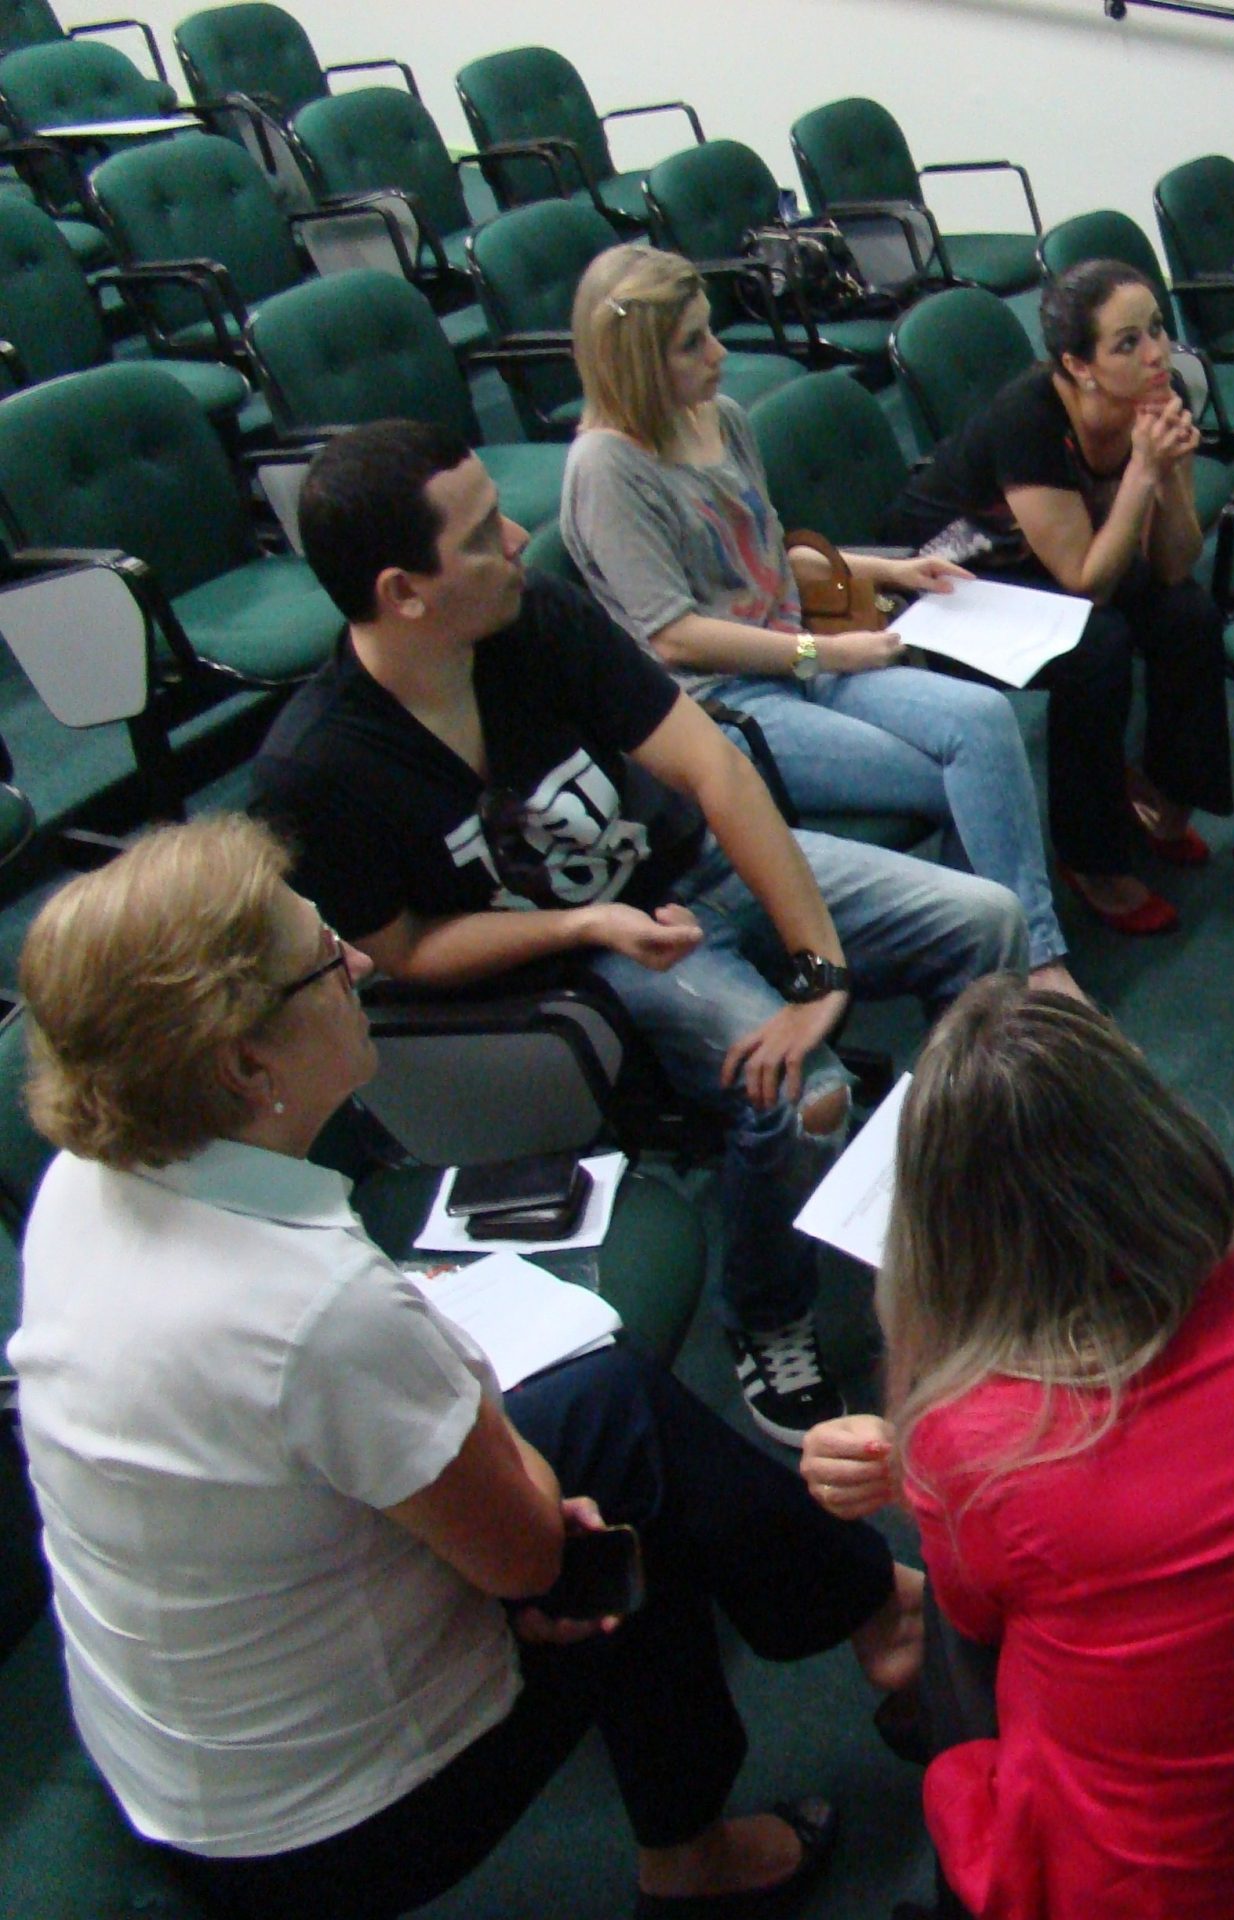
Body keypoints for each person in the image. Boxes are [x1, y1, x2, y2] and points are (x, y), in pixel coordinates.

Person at [5, 816, 928, 1920]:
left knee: (603, 1406)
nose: (355, 962)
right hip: (331, 1825)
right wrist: (536, 1523)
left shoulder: (90, 1182)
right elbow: (535, 1560)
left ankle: (880, 1609)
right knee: (620, 1531)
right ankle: (702, 1847)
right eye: (322, 959)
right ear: (246, 1063)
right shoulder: (313, 1309)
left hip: (176, 1745)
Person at [251, 420, 1028, 1443]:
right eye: (484, 535)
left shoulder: (535, 622)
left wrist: (816, 966)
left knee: (988, 921)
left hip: (694, 867)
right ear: (404, 591)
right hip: (589, 955)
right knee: (806, 1092)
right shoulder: (317, 771)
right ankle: (768, 1315)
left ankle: (960, 1196)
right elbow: (402, 952)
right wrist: (589, 922)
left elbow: (715, 771)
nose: (522, 541)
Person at [828, 974, 1234, 1919]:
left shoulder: (974, 1440)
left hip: (1156, 1893)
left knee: (962, 1642)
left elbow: (981, 1616)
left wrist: (920, 1442)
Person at [558, 246, 1079, 996]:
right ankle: (1017, 978)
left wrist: (884, 570)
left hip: (804, 659)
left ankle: (1016, 969)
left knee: (985, 722)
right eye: (692, 344)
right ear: (637, 363)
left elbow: (765, 554)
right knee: (958, 777)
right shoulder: (607, 470)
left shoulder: (721, 419)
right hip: (728, 702)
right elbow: (673, 635)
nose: (719, 354)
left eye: (710, 331)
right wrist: (825, 654)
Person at [886, 259, 1233, 937]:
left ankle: (1164, 793)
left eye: (1157, 329)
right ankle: (1090, 856)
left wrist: (1173, 476)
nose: (1156, 353)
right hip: (945, 576)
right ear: (1078, 365)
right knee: (1093, 645)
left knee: (1186, 611)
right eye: (1127, 343)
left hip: (1039, 559)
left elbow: (1171, 565)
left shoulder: (1162, 398)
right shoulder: (1030, 421)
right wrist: (1144, 471)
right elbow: (1086, 582)